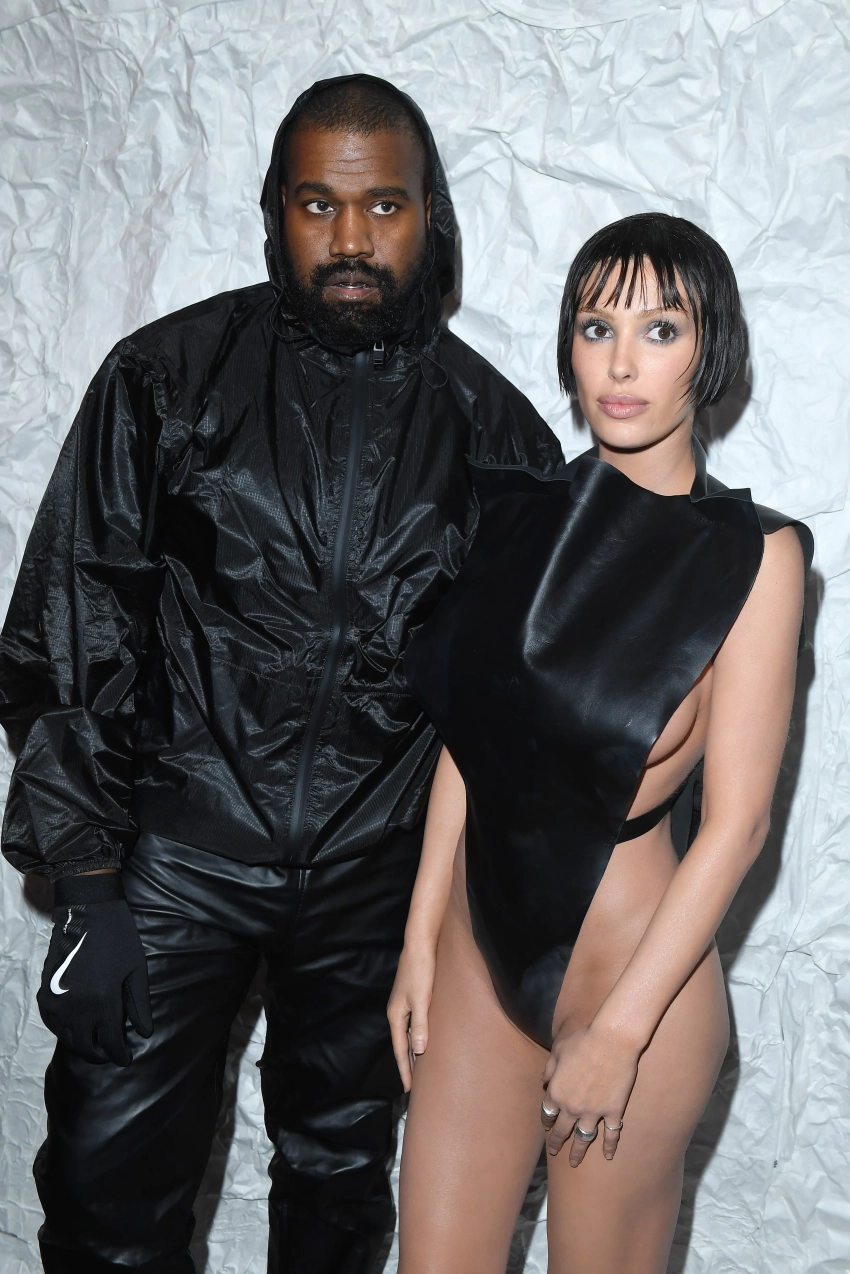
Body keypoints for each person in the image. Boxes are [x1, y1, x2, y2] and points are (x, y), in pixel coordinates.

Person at [0, 74, 563, 1274]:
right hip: (173, 864)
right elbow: (74, 620)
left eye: (383, 206)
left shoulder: (500, 438)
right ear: (277, 211)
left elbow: (513, 716)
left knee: (336, 1184)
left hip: (376, 882)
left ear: (428, 217)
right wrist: (89, 882)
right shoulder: (165, 378)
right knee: (107, 1196)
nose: (351, 239)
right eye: (319, 205)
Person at [391, 212, 813, 1273]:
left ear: (709, 352)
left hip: (635, 980)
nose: (621, 363)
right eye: (596, 326)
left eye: (660, 329)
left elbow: (738, 825)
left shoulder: (756, 558)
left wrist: (620, 1032)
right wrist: (419, 936)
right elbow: (470, 740)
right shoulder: (513, 512)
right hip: (475, 961)